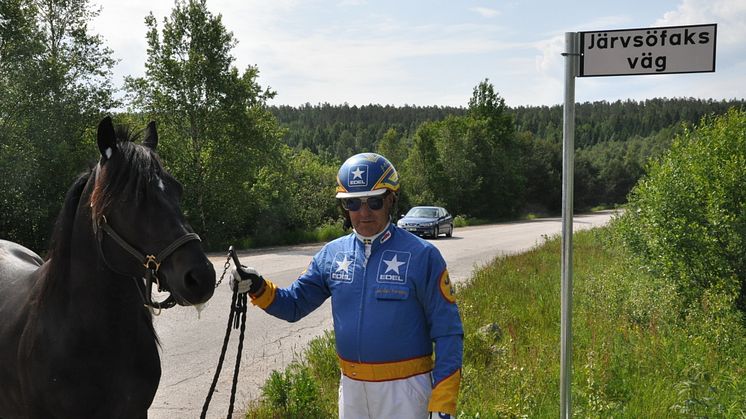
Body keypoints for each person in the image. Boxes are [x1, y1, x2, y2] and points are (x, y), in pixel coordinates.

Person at [232, 152, 463, 418]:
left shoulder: (423, 255)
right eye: (352, 203)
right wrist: (258, 287)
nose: (363, 213)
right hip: (351, 389)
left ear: (391, 200)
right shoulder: (332, 254)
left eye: (374, 202)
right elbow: (294, 305)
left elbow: (448, 333)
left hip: (406, 391)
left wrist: (443, 403)